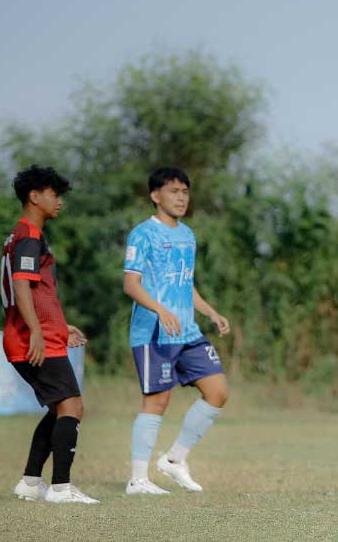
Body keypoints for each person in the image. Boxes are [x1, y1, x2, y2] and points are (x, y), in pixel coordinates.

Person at [123, 167, 231, 495]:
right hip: (154, 331)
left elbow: (185, 284)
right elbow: (131, 284)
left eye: (185, 191)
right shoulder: (143, 234)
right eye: (174, 191)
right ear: (156, 196)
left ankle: (173, 459)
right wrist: (160, 309)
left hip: (187, 331)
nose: (181, 197)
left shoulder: (187, 235)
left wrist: (211, 312)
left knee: (217, 392)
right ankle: (138, 480)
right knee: (157, 401)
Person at [3, 165, 98, 504]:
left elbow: (38, 292)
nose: (59, 201)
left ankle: (31, 483)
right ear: (34, 196)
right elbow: (21, 286)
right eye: (54, 194)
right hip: (31, 337)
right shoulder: (28, 235)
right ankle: (60, 487)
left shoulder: (23, 235)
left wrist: (59, 326)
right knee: (72, 404)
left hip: (38, 332)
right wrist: (37, 333)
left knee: (61, 407)